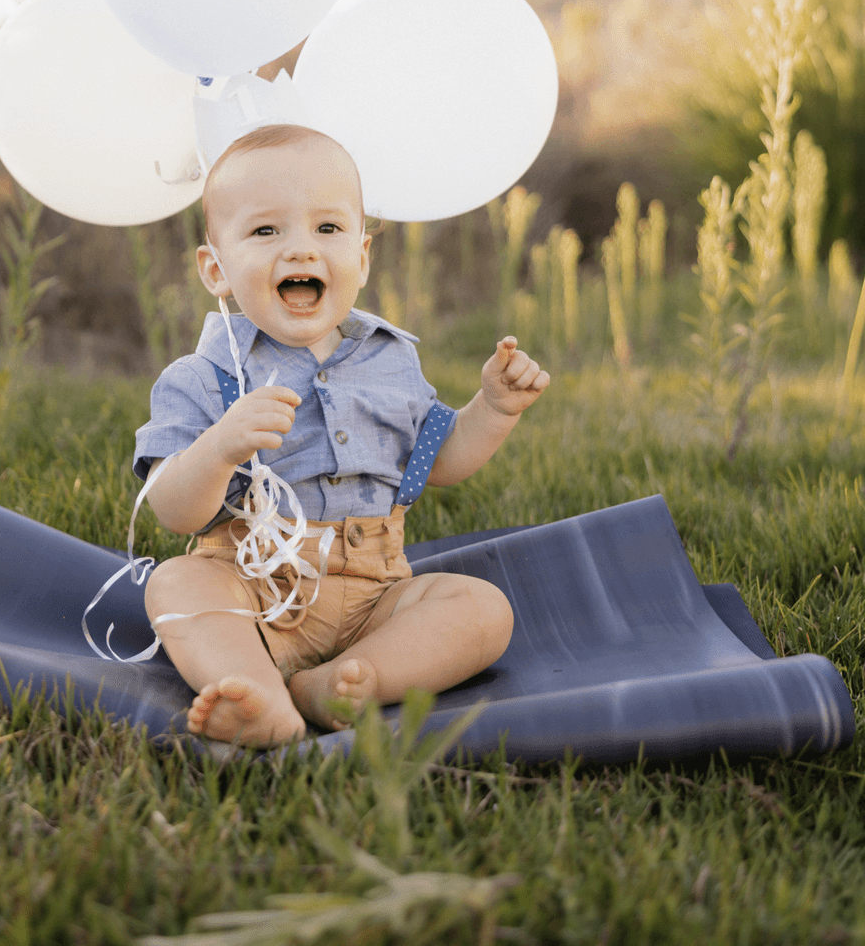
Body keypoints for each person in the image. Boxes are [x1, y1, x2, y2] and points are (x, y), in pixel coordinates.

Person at [133, 120, 551, 749]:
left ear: (361, 255)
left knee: (483, 610)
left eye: (327, 229)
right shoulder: (204, 377)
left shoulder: (391, 361)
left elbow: (437, 462)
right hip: (252, 589)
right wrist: (219, 446)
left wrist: (492, 410)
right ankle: (257, 690)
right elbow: (172, 510)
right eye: (266, 230)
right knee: (176, 584)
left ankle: (348, 681)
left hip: (373, 600)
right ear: (215, 269)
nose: (301, 250)